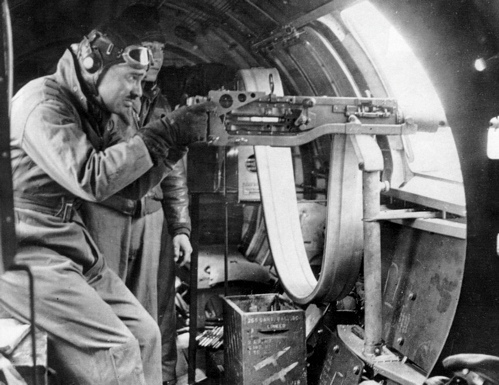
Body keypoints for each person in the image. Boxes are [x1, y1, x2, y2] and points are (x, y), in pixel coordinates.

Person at [0, 14, 212, 385]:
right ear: (92, 65)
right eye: (131, 78)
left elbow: (125, 185)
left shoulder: (97, 111)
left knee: (146, 335)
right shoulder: (42, 104)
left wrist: (176, 145)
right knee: (115, 349)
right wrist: (164, 133)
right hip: (22, 246)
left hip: (66, 239)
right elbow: (92, 177)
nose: (138, 89)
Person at [79, 6, 191, 384]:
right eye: (146, 48)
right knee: (105, 308)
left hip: (152, 217)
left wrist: (181, 228)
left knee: (155, 312)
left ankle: (161, 380)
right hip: (107, 213)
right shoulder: (102, 97)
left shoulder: (161, 103)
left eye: (160, 48)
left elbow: (174, 173)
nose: (155, 57)